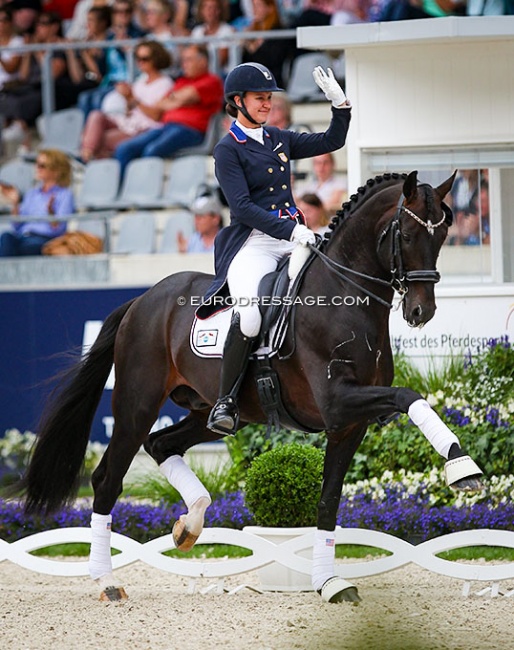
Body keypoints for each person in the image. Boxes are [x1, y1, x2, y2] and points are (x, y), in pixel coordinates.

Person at [201, 61, 351, 435]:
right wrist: (290, 230)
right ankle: (226, 401)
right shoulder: (227, 150)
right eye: (260, 98)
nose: (267, 104)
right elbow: (242, 209)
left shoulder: (279, 139)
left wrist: (340, 106)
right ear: (238, 101)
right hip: (253, 243)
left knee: (328, 294)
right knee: (250, 317)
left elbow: (331, 142)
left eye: (269, 98)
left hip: (293, 238)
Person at [113, 44, 223, 175]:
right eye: (183, 60)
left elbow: (188, 95)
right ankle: (123, 190)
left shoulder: (212, 81)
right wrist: (178, 99)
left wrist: (175, 99)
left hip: (191, 130)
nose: (184, 64)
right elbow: (159, 104)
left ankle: (143, 190)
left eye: (189, 60)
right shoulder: (181, 81)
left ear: (203, 61)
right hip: (167, 127)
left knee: (152, 150)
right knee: (124, 149)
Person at [79, 40, 173, 162]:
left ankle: (87, 160)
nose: (140, 62)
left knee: (98, 140)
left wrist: (132, 97)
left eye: (144, 58)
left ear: (156, 59)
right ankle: (88, 155)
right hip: (129, 123)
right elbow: (130, 110)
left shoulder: (165, 83)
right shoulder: (141, 81)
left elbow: (155, 115)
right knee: (96, 115)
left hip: (145, 129)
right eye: (137, 58)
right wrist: (126, 97)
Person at [0, 148, 75, 256]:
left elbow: (59, 230)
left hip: (45, 240)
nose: (37, 168)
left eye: (42, 166)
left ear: (56, 170)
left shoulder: (65, 195)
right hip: (24, 237)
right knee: (6, 237)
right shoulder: (32, 193)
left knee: (26, 247)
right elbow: (17, 226)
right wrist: (15, 204)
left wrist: (51, 213)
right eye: (37, 164)